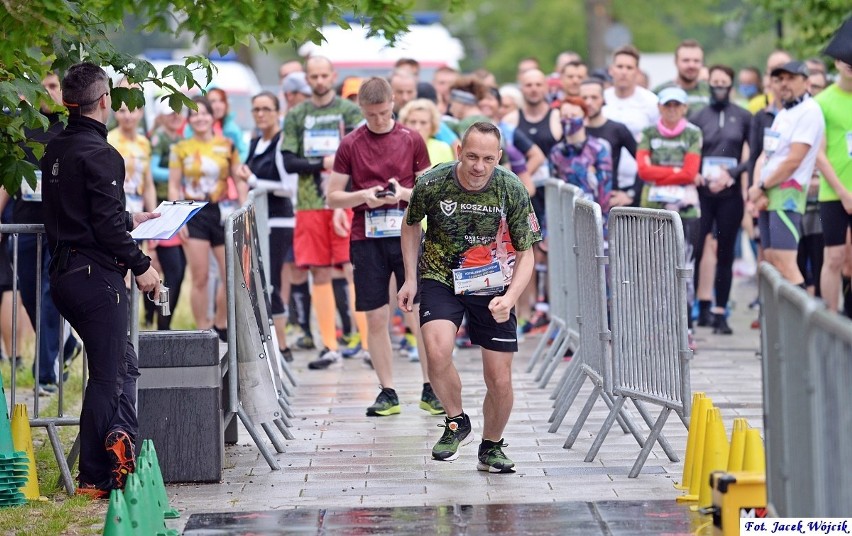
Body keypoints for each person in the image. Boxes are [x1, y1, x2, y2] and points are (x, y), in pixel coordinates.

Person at [41, 62, 161, 498]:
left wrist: (134, 217)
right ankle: (94, 476)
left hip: (65, 273)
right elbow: (107, 229)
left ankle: (119, 440)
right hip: (95, 278)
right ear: (105, 100)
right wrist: (142, 265)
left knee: (123, 365)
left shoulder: (55, 148)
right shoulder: (103, 153)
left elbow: (88, 212)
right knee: (108, 376)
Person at [398, 121, 541, 473]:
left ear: (499, 157)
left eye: (488, 159)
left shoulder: (511, 188)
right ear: (458, 152)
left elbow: (527, 254)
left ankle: (491, 446)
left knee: (500, 378)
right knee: (436, 349)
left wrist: (511, 298)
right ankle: (455, 420)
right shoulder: (433, 182)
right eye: (472, 156)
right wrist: (410, 278)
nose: (479, 166)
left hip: (494, 285)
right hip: (440, 277)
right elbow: (410, 222)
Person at [327, 77, 443, 416]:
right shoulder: (350, 143)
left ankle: (430, 386)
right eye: (371, 114)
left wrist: (403, 193)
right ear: (361, 110)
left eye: (383, 113)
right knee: (376, 315)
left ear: (393, 104)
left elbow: (429, 190)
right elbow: (332, 196)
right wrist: (362, 196)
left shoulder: (411, 138)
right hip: (367, 235)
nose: (378, 120)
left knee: (420, 312)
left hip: (406, 232)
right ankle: (388, 390)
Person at [0, 72, 81, 393]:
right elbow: (8, 178)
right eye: (41, 86)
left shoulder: (71, 129)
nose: (45, 92)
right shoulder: (22, 128)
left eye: (52, 86)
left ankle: (44, 372)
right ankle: (67, 345)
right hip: (24, 224)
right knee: (31, 294)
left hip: (59, 226)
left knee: (50, 294)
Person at [281, 56, 363, 369]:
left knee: (352, 267)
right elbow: (289, 160)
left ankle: (364, 341)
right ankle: (329, 344)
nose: (318, 81)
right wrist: (321, 164)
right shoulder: (298, 114)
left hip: (345, 200)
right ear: (307, 79)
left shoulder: (349, 111)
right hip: (310, 202)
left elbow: (361, 154)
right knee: (319, 270)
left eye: (323, 75)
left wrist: (339, 168)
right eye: (312, 76)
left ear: (333, 76)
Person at [168, 96, 245, 336]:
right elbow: (173, 184)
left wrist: (244, 209)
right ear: (189, 119)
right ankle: (203, 329)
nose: (200, 118)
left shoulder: (227, 145)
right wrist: (177, 217)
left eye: (204, 113)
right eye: (194, 114)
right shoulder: (180, 148)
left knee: (229, 275)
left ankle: (220, 324)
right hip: (193, 212)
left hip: (221, 211)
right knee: (200, 276)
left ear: (213, 117)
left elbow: (238, 178)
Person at [748, 61, 824, 287]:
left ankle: (802, 321)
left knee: (786, 263)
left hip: (787, 193)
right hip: (767, 192)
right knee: (771, 260)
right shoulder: (783, 112)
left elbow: (793, 160)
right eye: (779, 79)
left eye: (791, 78)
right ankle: (780, 321)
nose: (784, 84)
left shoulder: (809, 111)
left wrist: (761, 187)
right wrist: (756, 188)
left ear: (806, 81)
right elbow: (766, 155)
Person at [637, 87, 703, 347]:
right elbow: (643, 170)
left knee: (684, 269)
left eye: (677, 105)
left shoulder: (693, 133)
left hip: (686, 210)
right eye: (667, 105)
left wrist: (660, 171)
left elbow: (690, 173)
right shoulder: (649, 133)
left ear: (685, 108)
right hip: (653, 208)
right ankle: (656, 327)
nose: (672, 109)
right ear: (660, 108)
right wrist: (674, 170)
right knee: (654, 271)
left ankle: (686, 328)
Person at [690, 65, 752, 334]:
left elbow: (753, 155)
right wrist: (696, 174)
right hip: (703, 192)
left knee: (725, 251)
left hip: (730, 192)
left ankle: (720, 311)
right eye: (714, 83)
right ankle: (695, 308)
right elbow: (689, 151)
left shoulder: (744, 116)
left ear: (731, 85)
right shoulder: (698, 116)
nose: (719, 88)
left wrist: (733, 174)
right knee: (696, 250)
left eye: (724, 83)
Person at [237, 91, 298, 360]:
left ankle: (281, 345)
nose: (260, 114)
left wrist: (254, 181)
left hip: (279, 220)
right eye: (256, 109)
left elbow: (289, 187)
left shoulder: (282, 142)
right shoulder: (254, 142)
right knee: (260, 281)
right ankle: (271, 342)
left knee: (271, 280)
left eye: (266, 109)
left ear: (277, 111)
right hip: (258, 220)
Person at [817, 19, 852, 313]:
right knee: (834, 257)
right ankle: (828, 318)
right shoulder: (822, 101)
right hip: (833, 193)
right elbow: (819, 153)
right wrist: (842, 192)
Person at [549, 96, 613, 233]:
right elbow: (554, 189)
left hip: (596, 220)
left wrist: (602, 222)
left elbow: (605, 188)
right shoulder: (556, 152)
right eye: (565, 115)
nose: (568, 119)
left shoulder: (598, 148)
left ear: (585, 118)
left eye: (573, 115)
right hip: (567, 221)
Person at [580, 78, 640, 207]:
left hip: (610, 202)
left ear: (603, 99)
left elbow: (644, 162)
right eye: (584, 98)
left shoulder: (617, 129)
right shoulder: (572, 130)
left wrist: (631, 193)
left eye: (594, 97)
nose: (589, 102)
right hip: (579, 203)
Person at [653, 40, 710, 116]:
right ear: (675, 62)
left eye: (696, 61)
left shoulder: (710, 91)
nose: (691, 65)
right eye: (686, 60)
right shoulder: (659, 92)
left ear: (702, 63)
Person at [399, 98, 455, 165]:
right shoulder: (396, 147)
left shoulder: (443, 148)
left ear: (432, 125)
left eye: (423, 123)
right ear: (404, 123)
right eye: (413, 122)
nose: (417, 128)